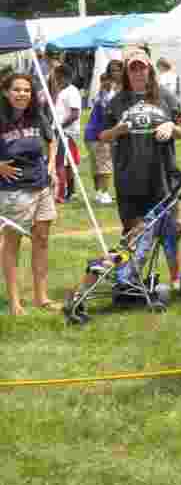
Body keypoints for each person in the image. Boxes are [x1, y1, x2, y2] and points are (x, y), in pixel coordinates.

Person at [99, 47, 181, 289]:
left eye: (142, 67)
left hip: (163, 175)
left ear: (150, 70)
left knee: (171, 230)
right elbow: (103, 135)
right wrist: (117, 131)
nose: (138, 72)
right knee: (133, 231)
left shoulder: (166, 97)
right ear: (127, 73)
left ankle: (176, 279)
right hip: (129, 177)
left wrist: (171, 126)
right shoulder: (116, 102)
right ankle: (129, 279)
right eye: (133, 68)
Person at [0, 71, 58, 313]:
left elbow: (51, 139)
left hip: (41, 185)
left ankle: (41, 297)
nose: (22, 94)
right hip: (13, 190)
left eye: (26, 90)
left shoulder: (37, 114)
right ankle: (14, 302)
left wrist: (52, 164)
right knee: (12, 243)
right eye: (16, 89)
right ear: (5, 92)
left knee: (42, 240)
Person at [83, 59, 122, 205]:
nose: (116, 74)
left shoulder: (102, 91)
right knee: (105, 165)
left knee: (97, 166)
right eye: (113, 71)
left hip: (92, 133)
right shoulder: (108, 91)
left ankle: (99, 192)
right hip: (100, 134)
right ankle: (104, 193)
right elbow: (109, 112)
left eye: (118, 70)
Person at [50, 63, 82, 203]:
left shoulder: (72, 91)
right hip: (61, 131)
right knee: (66, 163)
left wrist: (59, 128)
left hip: (65, 132)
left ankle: (61, 194)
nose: (56, 80)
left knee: (59, 163)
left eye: (57, 77)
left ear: (64, 77)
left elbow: (75, 114)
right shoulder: (62, 91)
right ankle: (69, 192)